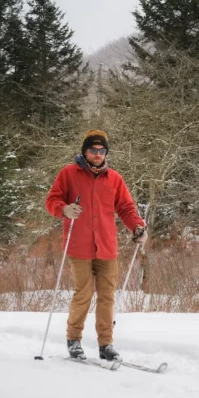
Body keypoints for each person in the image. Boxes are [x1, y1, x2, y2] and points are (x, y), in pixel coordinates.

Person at [45, 130, 147, 361]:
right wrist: (64, 209)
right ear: (85, 151)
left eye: (102, 151)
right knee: (84, 293)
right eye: (93, 150)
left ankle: (106, 344)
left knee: (107, 295)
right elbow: (52, 200)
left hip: (107, 246)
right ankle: (74, 340)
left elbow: (126, 208)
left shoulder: (114, 178)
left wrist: (138, 227)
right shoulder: (69, 173)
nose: (98, 154)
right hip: (78, 246)